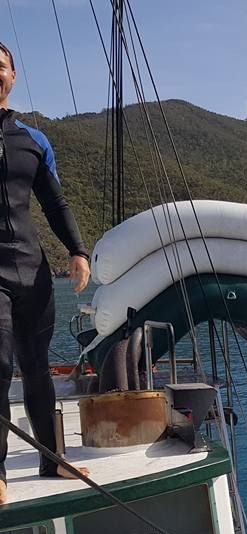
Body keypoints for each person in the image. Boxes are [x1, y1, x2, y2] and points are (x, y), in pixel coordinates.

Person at [0, 41, 90, 504]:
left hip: (30, 267)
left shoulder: (34, 141)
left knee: (38, 369)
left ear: (13, 75)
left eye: (1, 65)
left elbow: (55, 203)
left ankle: (52, 460)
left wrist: (77, 250)